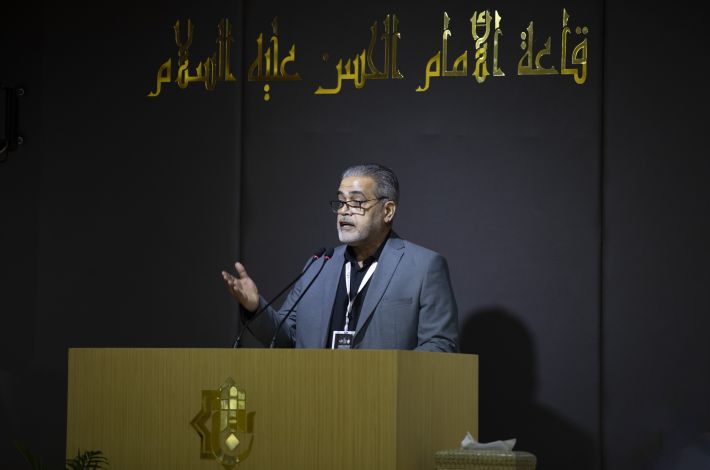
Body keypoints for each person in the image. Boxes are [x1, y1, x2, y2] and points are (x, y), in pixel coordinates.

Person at [222, 163, 458, 352]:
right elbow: (283, 338)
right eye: (341, 201)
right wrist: (255, 307)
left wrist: (389, 376)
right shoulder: (319, 266)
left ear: (387, 211)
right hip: (318, 392)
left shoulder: (423, 267)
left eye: (356, 202)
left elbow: (440, 345)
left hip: (384, 394)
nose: (344, 210)